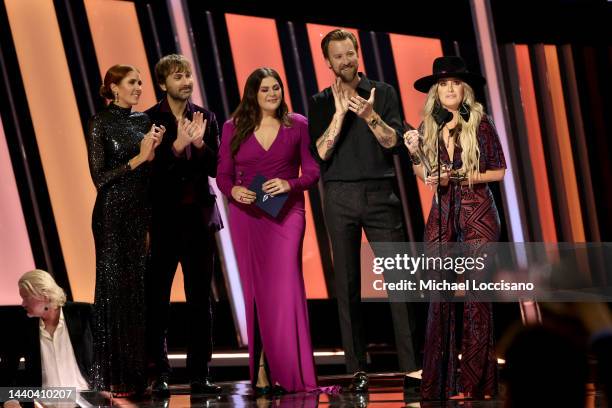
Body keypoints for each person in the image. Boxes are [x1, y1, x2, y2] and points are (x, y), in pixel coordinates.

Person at [308, 28, 418, 391]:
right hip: (338, 195)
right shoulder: (320, 100)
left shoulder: (382, 92)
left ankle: (412, 367)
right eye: (338, 56)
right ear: (327, 61)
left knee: (399, 282)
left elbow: (395, 142)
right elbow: (321, 153)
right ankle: (356, 370)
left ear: (358, 53)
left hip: (379, 191)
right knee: (348, 285)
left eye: (350, 53)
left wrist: (370, 115)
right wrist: (340, 115)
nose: (345, 60)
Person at [404, 56, 505, 400]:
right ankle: (440, 382)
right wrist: (417, 156)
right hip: (443, 212)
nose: (449, 89)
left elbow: (498, 172)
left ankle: (477, 384)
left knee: (477, 299)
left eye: (455, 83)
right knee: (438, 297)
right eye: (443, 84)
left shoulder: (481, 122)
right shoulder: (428, 125)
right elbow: (425, 177)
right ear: (436, 90)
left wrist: (459, 175)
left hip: (478, 213)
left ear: (465, 89)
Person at [216, 67, 320, 394]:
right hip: (247, 216)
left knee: (285, 287)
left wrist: (288, 184)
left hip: (287, 212)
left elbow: (313, 171)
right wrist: (232, 191)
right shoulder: (234, 127)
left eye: (276, 87)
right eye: (265, 89)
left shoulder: (298, 125)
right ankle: (261, 370)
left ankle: (291, 372)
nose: (272, 94)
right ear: (253, 94)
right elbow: (223, 175)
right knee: (256, 293)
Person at [144, 54, 222, 395]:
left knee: (199, 300)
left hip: (199, 221)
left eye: (188, 75)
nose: (186, 81)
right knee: (157, 300)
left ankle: (200, 374)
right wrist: (176, 147)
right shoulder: (148, 119)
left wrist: (200, 144)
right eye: (178, 76)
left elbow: (216, 168)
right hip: (163, 221)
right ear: (164, 84)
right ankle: (158, 372)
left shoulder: (206, 116)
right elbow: (148, 174)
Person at [87, 64, 165, 396]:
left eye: (140, 83)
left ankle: (135, 377)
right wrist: (139, 158)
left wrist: (153, 156)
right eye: (132, 83)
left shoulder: (144, 122)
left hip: (138, 215)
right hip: (110, 215)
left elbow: (150, 179)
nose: (138, 87)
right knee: (112, 292)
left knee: (137, 296)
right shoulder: (99, 122)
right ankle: (109, 377)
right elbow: (99, 178)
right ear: (114, 87)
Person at [0, 269, 93, 390]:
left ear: (44, 295)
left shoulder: (84, 314)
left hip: (87, 401)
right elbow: (8, 367)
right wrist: (10, 399)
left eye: (26, 297)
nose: (23, 304)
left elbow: (109, 354)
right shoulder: (22, 326)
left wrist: (110, 389)